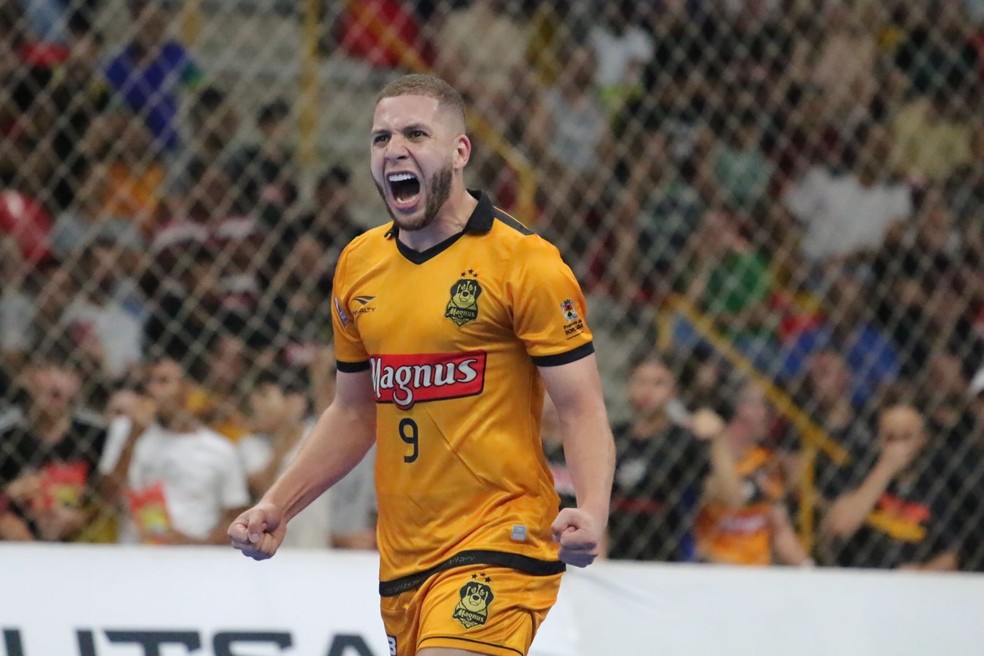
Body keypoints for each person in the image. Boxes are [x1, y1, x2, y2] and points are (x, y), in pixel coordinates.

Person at [228, 74, 616, 656]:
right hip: (405, 559)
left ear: (460, 152)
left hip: (501, 538)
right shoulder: (359, 264)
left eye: (415, 133)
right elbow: (355, 411)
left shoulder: (525, 262)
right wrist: (277, 504)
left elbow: (581, 406)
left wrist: (591, 509)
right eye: (381, 138)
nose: (395, 150)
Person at [102, 357, 249, 545]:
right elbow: (106, 496)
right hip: (135, 552)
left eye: (163, 381)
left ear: (187, 389)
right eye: (148, 381)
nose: (152, 390)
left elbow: (235, 518)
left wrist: (194, 545)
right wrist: (132, 438)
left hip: (193, 557)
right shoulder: (124, 430)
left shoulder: (220, 449)